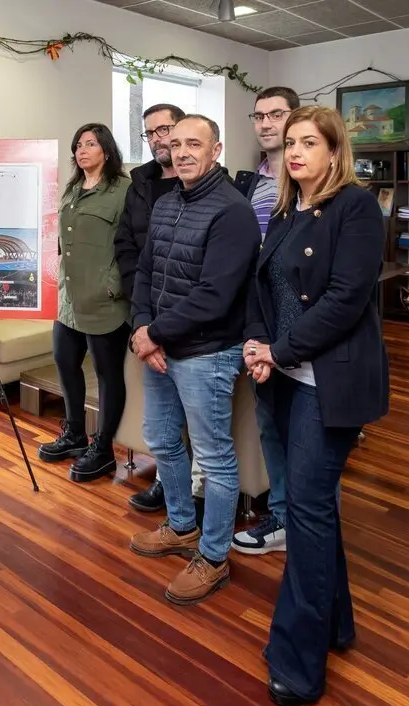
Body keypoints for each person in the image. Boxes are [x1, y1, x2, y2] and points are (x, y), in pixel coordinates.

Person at [243, 105, 388, 706]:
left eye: (310, 142)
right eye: (291, 143)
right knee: (314, 509)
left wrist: (276, 351)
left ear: (334, 151)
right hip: (280, 376)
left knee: (305, 513)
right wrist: (258, 347)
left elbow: (345, 300)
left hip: (325, 383)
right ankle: (336, 624)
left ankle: (298, 664)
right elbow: (261, 287)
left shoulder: (355, 207)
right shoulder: (283, 211)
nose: (295, 151)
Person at [126, 114, 261, 605]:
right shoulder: (165, 203)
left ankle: (213, 555)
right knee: (162, 438)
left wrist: (151, 334)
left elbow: (215, 295)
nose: (181, 152)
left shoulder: (233, 212)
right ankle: (181, 525)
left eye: (193, 144)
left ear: (216, 150)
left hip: (206, 352)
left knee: (215, 458)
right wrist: (143, 327)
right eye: (175, 143)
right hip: (161, 347)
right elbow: (145, 270)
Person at [37, 123, 131, 481]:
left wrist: (112, 287)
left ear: (106, 150)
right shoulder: (73, 188)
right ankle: (75, 433)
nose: (82, 150)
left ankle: (103, 448)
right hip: (69, 299)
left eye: (90, 143)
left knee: (107, 376)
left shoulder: (124, 190)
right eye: (78, 144)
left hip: (104, 301)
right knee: (64, 361)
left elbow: (132, 245)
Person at [229, 86, 300, 555]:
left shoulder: (308, 180)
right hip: (256, 315)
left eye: (277, 114)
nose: (267, 123)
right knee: (271, 421)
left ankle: (303, 518)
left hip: (295, 317)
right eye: (259, 116)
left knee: (302, 426)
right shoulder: (251, 182)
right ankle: (282, 514)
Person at [113, 103, 186, 510]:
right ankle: (166, 481)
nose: (159, 138)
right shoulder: (139, 183)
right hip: (144, 313)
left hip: (190, 318)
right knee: (160, 415)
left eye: (166, 129)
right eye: (151, 133)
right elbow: (125, 245)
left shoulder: (210, 182)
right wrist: (140, 312)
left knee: (194, 411)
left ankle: (191, 488)